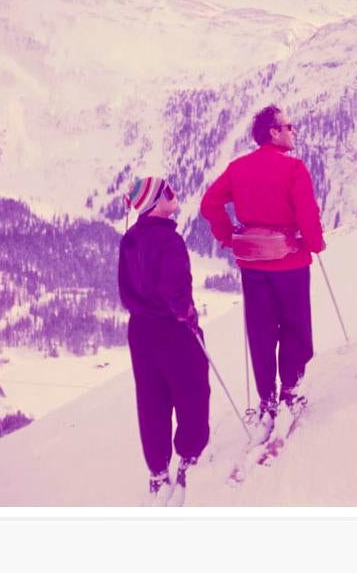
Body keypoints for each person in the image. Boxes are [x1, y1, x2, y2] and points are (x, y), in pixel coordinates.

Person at [200, 105, 325, 437]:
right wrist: (314, 242)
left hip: (252, 264)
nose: (293, 130)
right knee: (296, 327)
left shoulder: (238, 168)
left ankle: (267, 399)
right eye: (289, 125)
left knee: (261, 330)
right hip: (290, 261)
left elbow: (209, 204)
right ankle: (290, 390)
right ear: (274, 131)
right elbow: (307, 212)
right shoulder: (293, 168)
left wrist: (229, 236)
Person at [117, 174, 210, 505]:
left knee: (151, 399)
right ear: (156, 203)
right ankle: (189, 453)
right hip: (173, 328)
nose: (176, 193)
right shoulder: (170, 242)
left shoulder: (128, 239)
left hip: (140, 331)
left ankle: (158, 470)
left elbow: (125, 290)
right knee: (191, 390)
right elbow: (175, 291)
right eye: (169, 191)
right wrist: (186, 314)